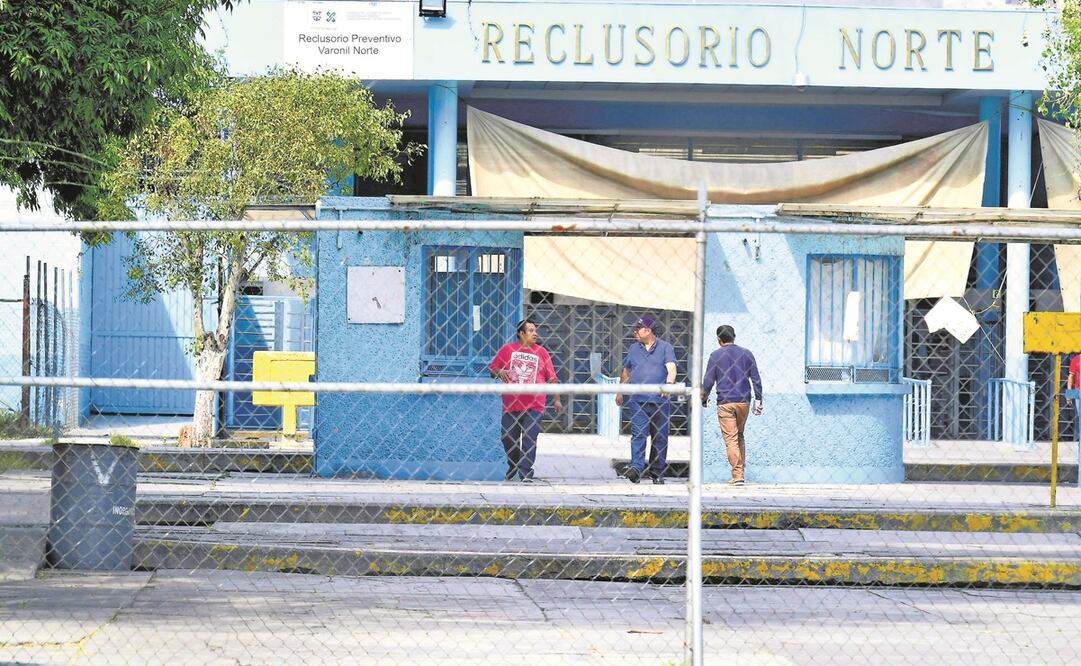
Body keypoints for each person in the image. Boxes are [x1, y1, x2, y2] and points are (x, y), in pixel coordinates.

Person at [489, 318, 563, 482]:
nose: (535, 334)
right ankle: (513, 464)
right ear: (521, 334)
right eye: (530, 330)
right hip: (511, 404)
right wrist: (500, 371)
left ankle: (525, 472)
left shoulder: (542, 352)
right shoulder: (508, 350)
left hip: (535, 404)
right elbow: (492, 370)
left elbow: (551, 378)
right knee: (508, 438)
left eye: (535, 330)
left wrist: (557, 399)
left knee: (530, 437)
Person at [616, 316, 677, 484]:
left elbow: (671, 368)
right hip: (638, 400)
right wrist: (620, 391)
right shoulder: (634, 348)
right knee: (639, 435)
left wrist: (669, 385)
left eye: (638, 328)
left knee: (660, 437)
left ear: (648, 330)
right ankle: (636, 468)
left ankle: (656, 472)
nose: (634, 331)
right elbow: (627, 371)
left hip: (660, 401)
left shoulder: (665, 347)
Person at [701, 324, 763, 485]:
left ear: (719, 339)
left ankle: (737, 475)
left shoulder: (715, 356)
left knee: (731, 439)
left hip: (725, 402)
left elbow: (708, 380)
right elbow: (756, 378)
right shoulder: (747, 353)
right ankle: (740, 472)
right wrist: (759, 399)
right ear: (734, 336)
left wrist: (704, 397)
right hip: (744, 401)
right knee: (739, 435)